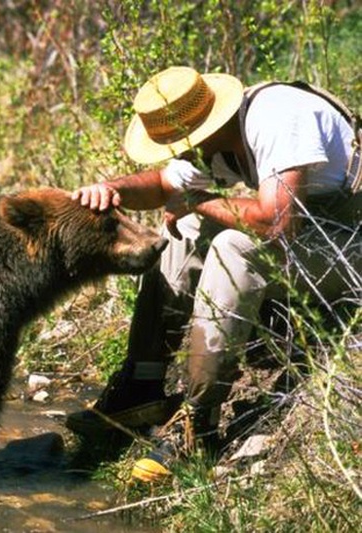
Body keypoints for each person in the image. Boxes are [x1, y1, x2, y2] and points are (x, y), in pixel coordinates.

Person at [67, 66, 362, 482]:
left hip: (350, 251)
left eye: (174, 142)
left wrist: (195, 199)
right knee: (184, 230)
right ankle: (143, 383)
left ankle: (196, 423)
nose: (172, 152)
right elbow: (162, 184)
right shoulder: (215, 140)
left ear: (201, 128)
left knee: (233, 246)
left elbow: (276, 225)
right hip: (313, 243)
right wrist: (108, 188)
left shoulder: (278, 118)